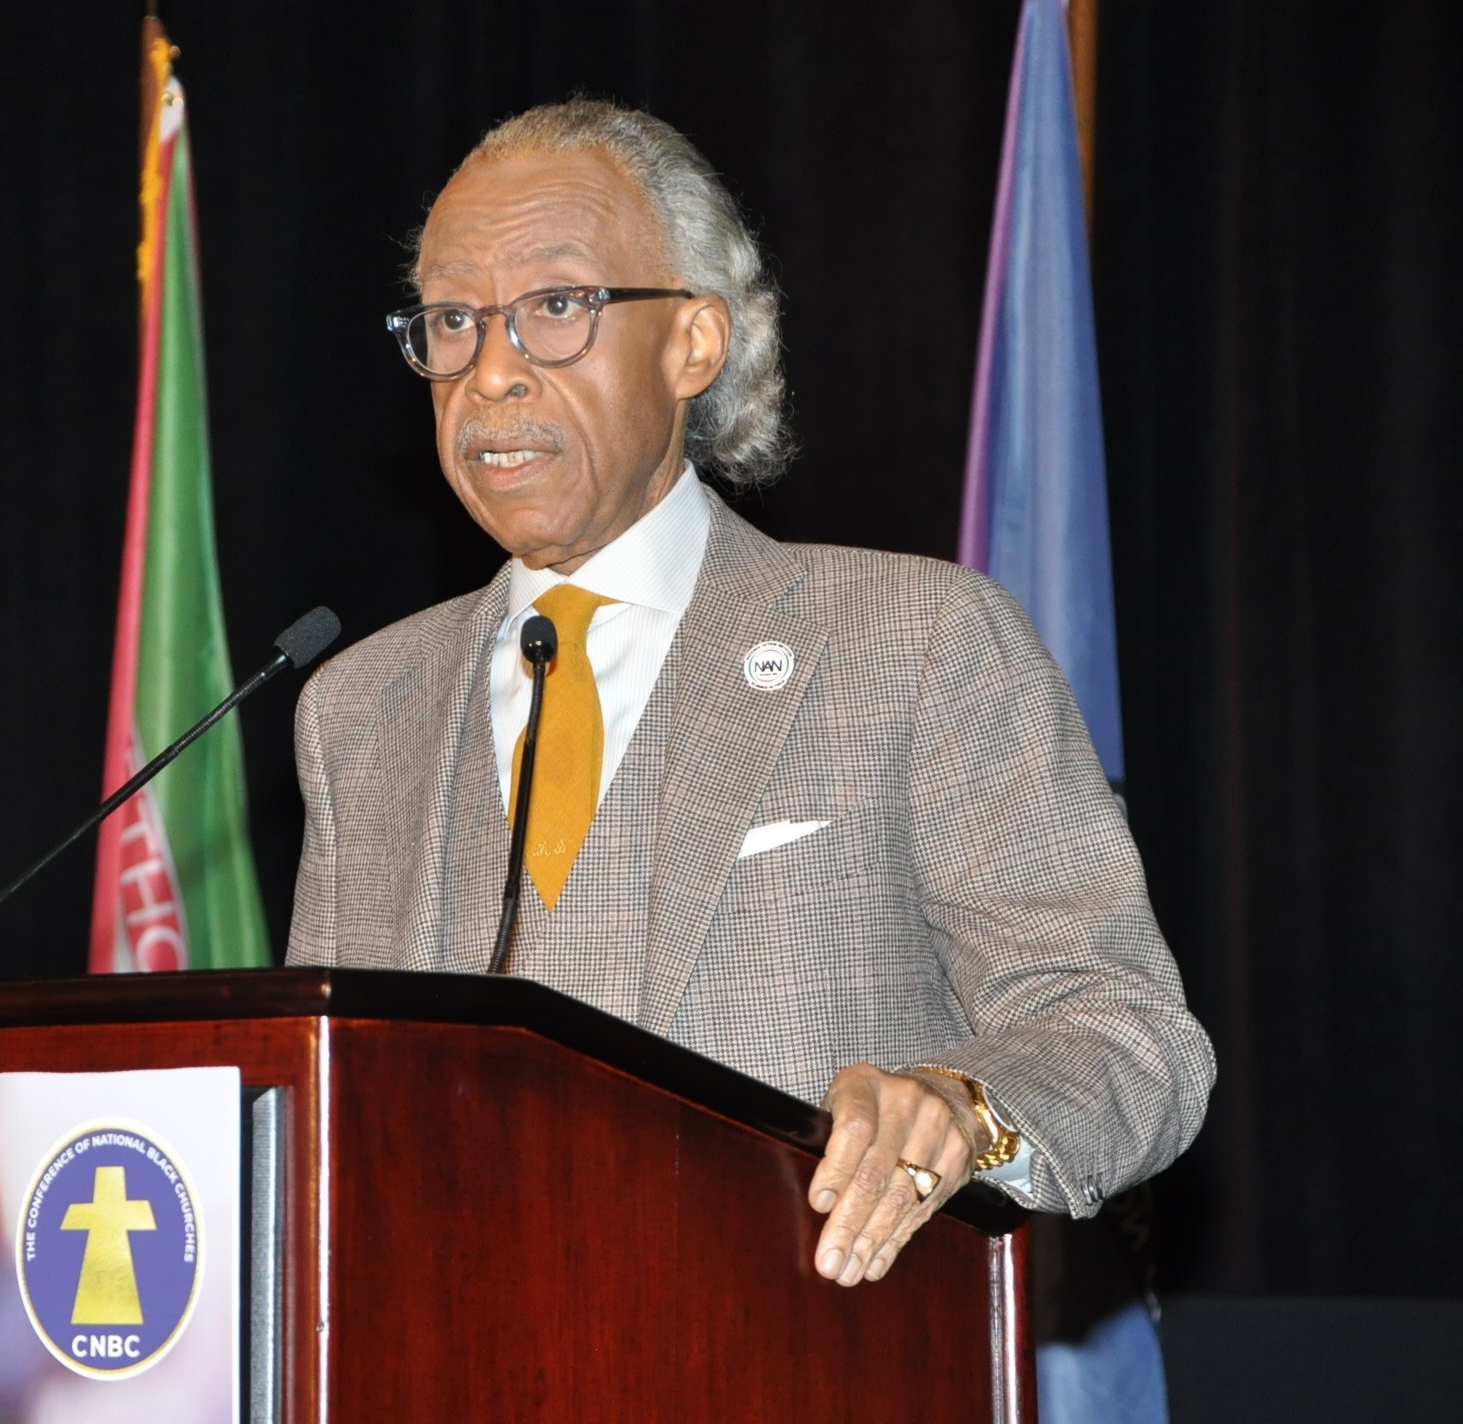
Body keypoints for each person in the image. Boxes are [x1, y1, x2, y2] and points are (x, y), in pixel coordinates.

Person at [284, 99, 1212, 1290]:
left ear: (694, 345)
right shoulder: (361, 709)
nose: (491, 371)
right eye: (453, 320)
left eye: (555, 308)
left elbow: (1124, 1033)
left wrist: (962, 1106)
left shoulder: (915, 641)